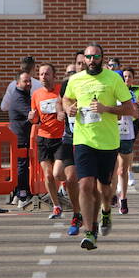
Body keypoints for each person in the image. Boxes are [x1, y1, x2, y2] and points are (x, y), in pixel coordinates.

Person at [62, 43, 135, 250]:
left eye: (96, 57)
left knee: (104, 189)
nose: (92, 60)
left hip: (108, 142)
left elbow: (129, 108)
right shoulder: (75, 80)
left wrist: (106, 109)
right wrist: (70, 108)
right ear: (83, 59)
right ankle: (90, 231)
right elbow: (66, 99)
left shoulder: (113, 79)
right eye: (88, 57)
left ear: (102, 58)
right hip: (83, 140)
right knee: (84, 184)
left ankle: (106, 210)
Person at [57, 52, 87, 235]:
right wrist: (64, 110)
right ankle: (77, 212)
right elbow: (60, 101)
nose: (82, 66)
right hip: (70, 136)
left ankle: (88, 213)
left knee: (88, 182)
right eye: (78, 63)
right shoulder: (68, 83)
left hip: (91, 138)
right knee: (65, 176)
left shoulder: (96, 83)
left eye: (84, 63)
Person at [31, 64, 66, 219]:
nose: (44, 77)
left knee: (58, 173)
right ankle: (56, 206)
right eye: (41, 74)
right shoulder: (36, 95)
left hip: (61, 138)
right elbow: (36, 118)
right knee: (48, 174)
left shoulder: (61, 91)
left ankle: (71, 184)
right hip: (44, 137)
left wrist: (63, 113)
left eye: (47, 74)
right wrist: (32, 119)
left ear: (54, 76)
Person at [114, 67, 139, 213]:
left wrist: (126, 109)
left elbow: (135, 114)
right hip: (110, 134)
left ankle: (123, 198)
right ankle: (113, 193)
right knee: (112, 169)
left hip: (125, 134)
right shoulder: (107, 94)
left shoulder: (127, 94)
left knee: (122, 169)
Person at [7, 70, 34, 208]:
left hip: (22, 136)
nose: (29, 83)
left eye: (30, 81)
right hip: (20, 137)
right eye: (25, 81)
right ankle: (22, 195)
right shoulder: (19, 98)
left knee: (23, 166)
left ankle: (18, 194)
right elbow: (33, 115)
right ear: (17, 83)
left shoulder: (23, 95)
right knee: (22, 167)